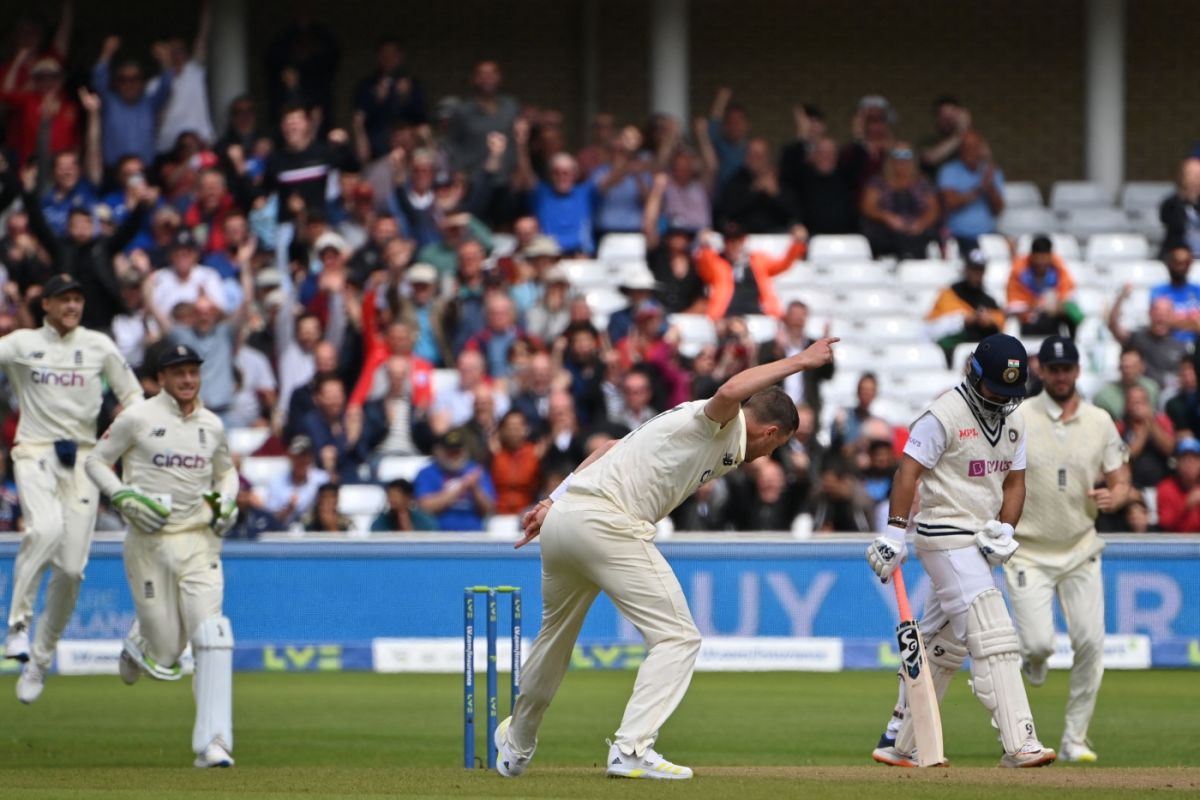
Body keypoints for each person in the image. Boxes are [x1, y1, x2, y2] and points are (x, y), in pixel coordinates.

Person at [492, 335, 837, 780]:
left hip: (566, 519)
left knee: (553, 641)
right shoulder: (722, 422)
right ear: (770, 432)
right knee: (678, 637)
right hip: (607, 522)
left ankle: (516, 745)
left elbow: (610, 447)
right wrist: (802, 360)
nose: (769, 455)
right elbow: (731, 391)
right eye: (776, 446)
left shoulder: (698, 428)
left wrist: (551, 502)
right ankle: (632, 750)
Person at [869, 333, 1056, 769]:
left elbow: (1015, 482)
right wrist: (894, 534)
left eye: (1011, 392)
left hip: (979, 539)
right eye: (995, 388)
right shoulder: (942, 415)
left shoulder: (1015, 421)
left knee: (944, 644)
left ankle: (900, 739)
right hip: (943, 534)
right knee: (992, 630)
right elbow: (908, 472)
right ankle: (1020, 742)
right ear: (974, 374)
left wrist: (1006, 528)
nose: (1001, 400)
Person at [84, 344, 237, 767]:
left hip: (199, 543)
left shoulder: (212, 425)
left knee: (212, 635)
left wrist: (227, 503)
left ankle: (214, 743)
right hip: (149, 541)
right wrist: (122, 496)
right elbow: (96, 462)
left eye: (193, 372)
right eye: (179, 373)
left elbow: (227, 473)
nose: (188, 380)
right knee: (166, 655)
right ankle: (141, 639)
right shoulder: (138, 418)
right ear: (162, 378)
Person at [1, 274, 143, 702]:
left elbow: (133, 398)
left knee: (71, 569)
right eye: (64, 299)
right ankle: (17, 628)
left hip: (84, 459)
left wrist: (126, 441)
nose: (73, 306)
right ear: (45, 304)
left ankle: (40, 663)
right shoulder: (22, 343)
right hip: (35, 451)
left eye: (78, 299)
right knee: (43, 530)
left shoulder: (99, 346)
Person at [1004, 337, 1129, 762]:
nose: (1060, 376)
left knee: (1091, 642)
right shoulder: (1019, 415)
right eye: (1053, 369)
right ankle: (1034, 660)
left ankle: (1076, 738)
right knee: (1038, 644)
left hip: (1080, 547)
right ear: (1041, 370)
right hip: (1028, 550)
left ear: (1077, 370)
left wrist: (1120, 495)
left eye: (1067, 368)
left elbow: (1121, 476)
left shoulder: (1099, 421)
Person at [694, 223, 806, 320]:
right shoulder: (717, 262)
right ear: (724, 242)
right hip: (726, 314)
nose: (734, 244)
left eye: (738, 239)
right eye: (730, 240)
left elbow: (782, 265)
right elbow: (703, 265)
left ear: (744, 240)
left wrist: (797, 244)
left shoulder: (758, 260)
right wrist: (705, 246)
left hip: (758, 313)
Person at [859, 143, 939, 259]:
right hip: (886, 236)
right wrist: (887, 217)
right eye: (897, 158)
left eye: (906, 158)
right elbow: (867, 206)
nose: (902, 163)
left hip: (917, 236)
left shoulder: (923, 183)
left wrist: (921, 224)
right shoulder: (878, 182)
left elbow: (933, 209)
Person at [926, 248, 1006, 364]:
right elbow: (932, 326)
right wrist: (963, 320)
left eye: (980, 270)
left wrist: (990, 321)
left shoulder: (989, 300)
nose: (977, 274)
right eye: (973, 269)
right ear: (966, 269)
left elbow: (1000, 323)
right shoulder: (949, 293)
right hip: (953, 348)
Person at [413, 429, 496, 531]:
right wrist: (461, 487)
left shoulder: (476, 471)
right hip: (438, 535)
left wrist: (475, 489)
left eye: (458, 451)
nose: (454, 456)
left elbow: (488, 509)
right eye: (450, 451)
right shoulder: (427, 473)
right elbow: (424, 507)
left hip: (474, 534)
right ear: (439, 451)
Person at [938, 129, 1005, 253]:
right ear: (960, 150)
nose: (971, 151)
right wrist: (979, 189)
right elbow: (950, 202)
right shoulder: (949, 171)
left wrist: (990, 187)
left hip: (988, 234)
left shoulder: (991, 171)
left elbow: (998, 210)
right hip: (958, 236)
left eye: (975, 146)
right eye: (967, 147)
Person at [1008, 234, 1082, 338]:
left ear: (1050, 256)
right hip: (1029, 320)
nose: (1041, 263)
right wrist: (1036, 306)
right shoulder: (1019, 271)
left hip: (1053, 318)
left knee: (1071, 313)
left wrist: (1059, 306)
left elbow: (1069, 295)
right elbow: (1012, 303)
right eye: (1038, 258)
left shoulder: (1058, 270)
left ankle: (1071, 345)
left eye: (1045, 258)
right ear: (1032, 256)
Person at [1107, 292, 1187, 388]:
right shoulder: (1137, 338)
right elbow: (1113, 326)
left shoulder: (1181, 344)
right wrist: (1121, 297)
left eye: (1165, 313)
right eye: (1157, 312)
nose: (1161, 317)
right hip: (1141, 394)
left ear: (1173, 316)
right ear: (1149, 313)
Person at [1149, 241, 1200, 344]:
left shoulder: (1197, 291)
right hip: (1168, 346)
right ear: (1170, 263)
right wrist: (1192, 323)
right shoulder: (1158, 291)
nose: (1180, 267)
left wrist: (1172, 321)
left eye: (1185, 263)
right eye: (1177, 262)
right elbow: (1158, 322)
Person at [1156, 438, 1200, 532]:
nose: (1190, 463)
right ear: (1177, 463)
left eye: (1194, 459)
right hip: (1177, 543)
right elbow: (1166, 525)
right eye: (1185, 459)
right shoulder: (1166, 488)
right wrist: (1187, 506)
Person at [1159, 158, 1200, 257]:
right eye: (1190, 175)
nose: (1194, 179)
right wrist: (1186, 197)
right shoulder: (1171, 204)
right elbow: (1172, 223)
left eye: (1197, 175)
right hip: (1179, 258)